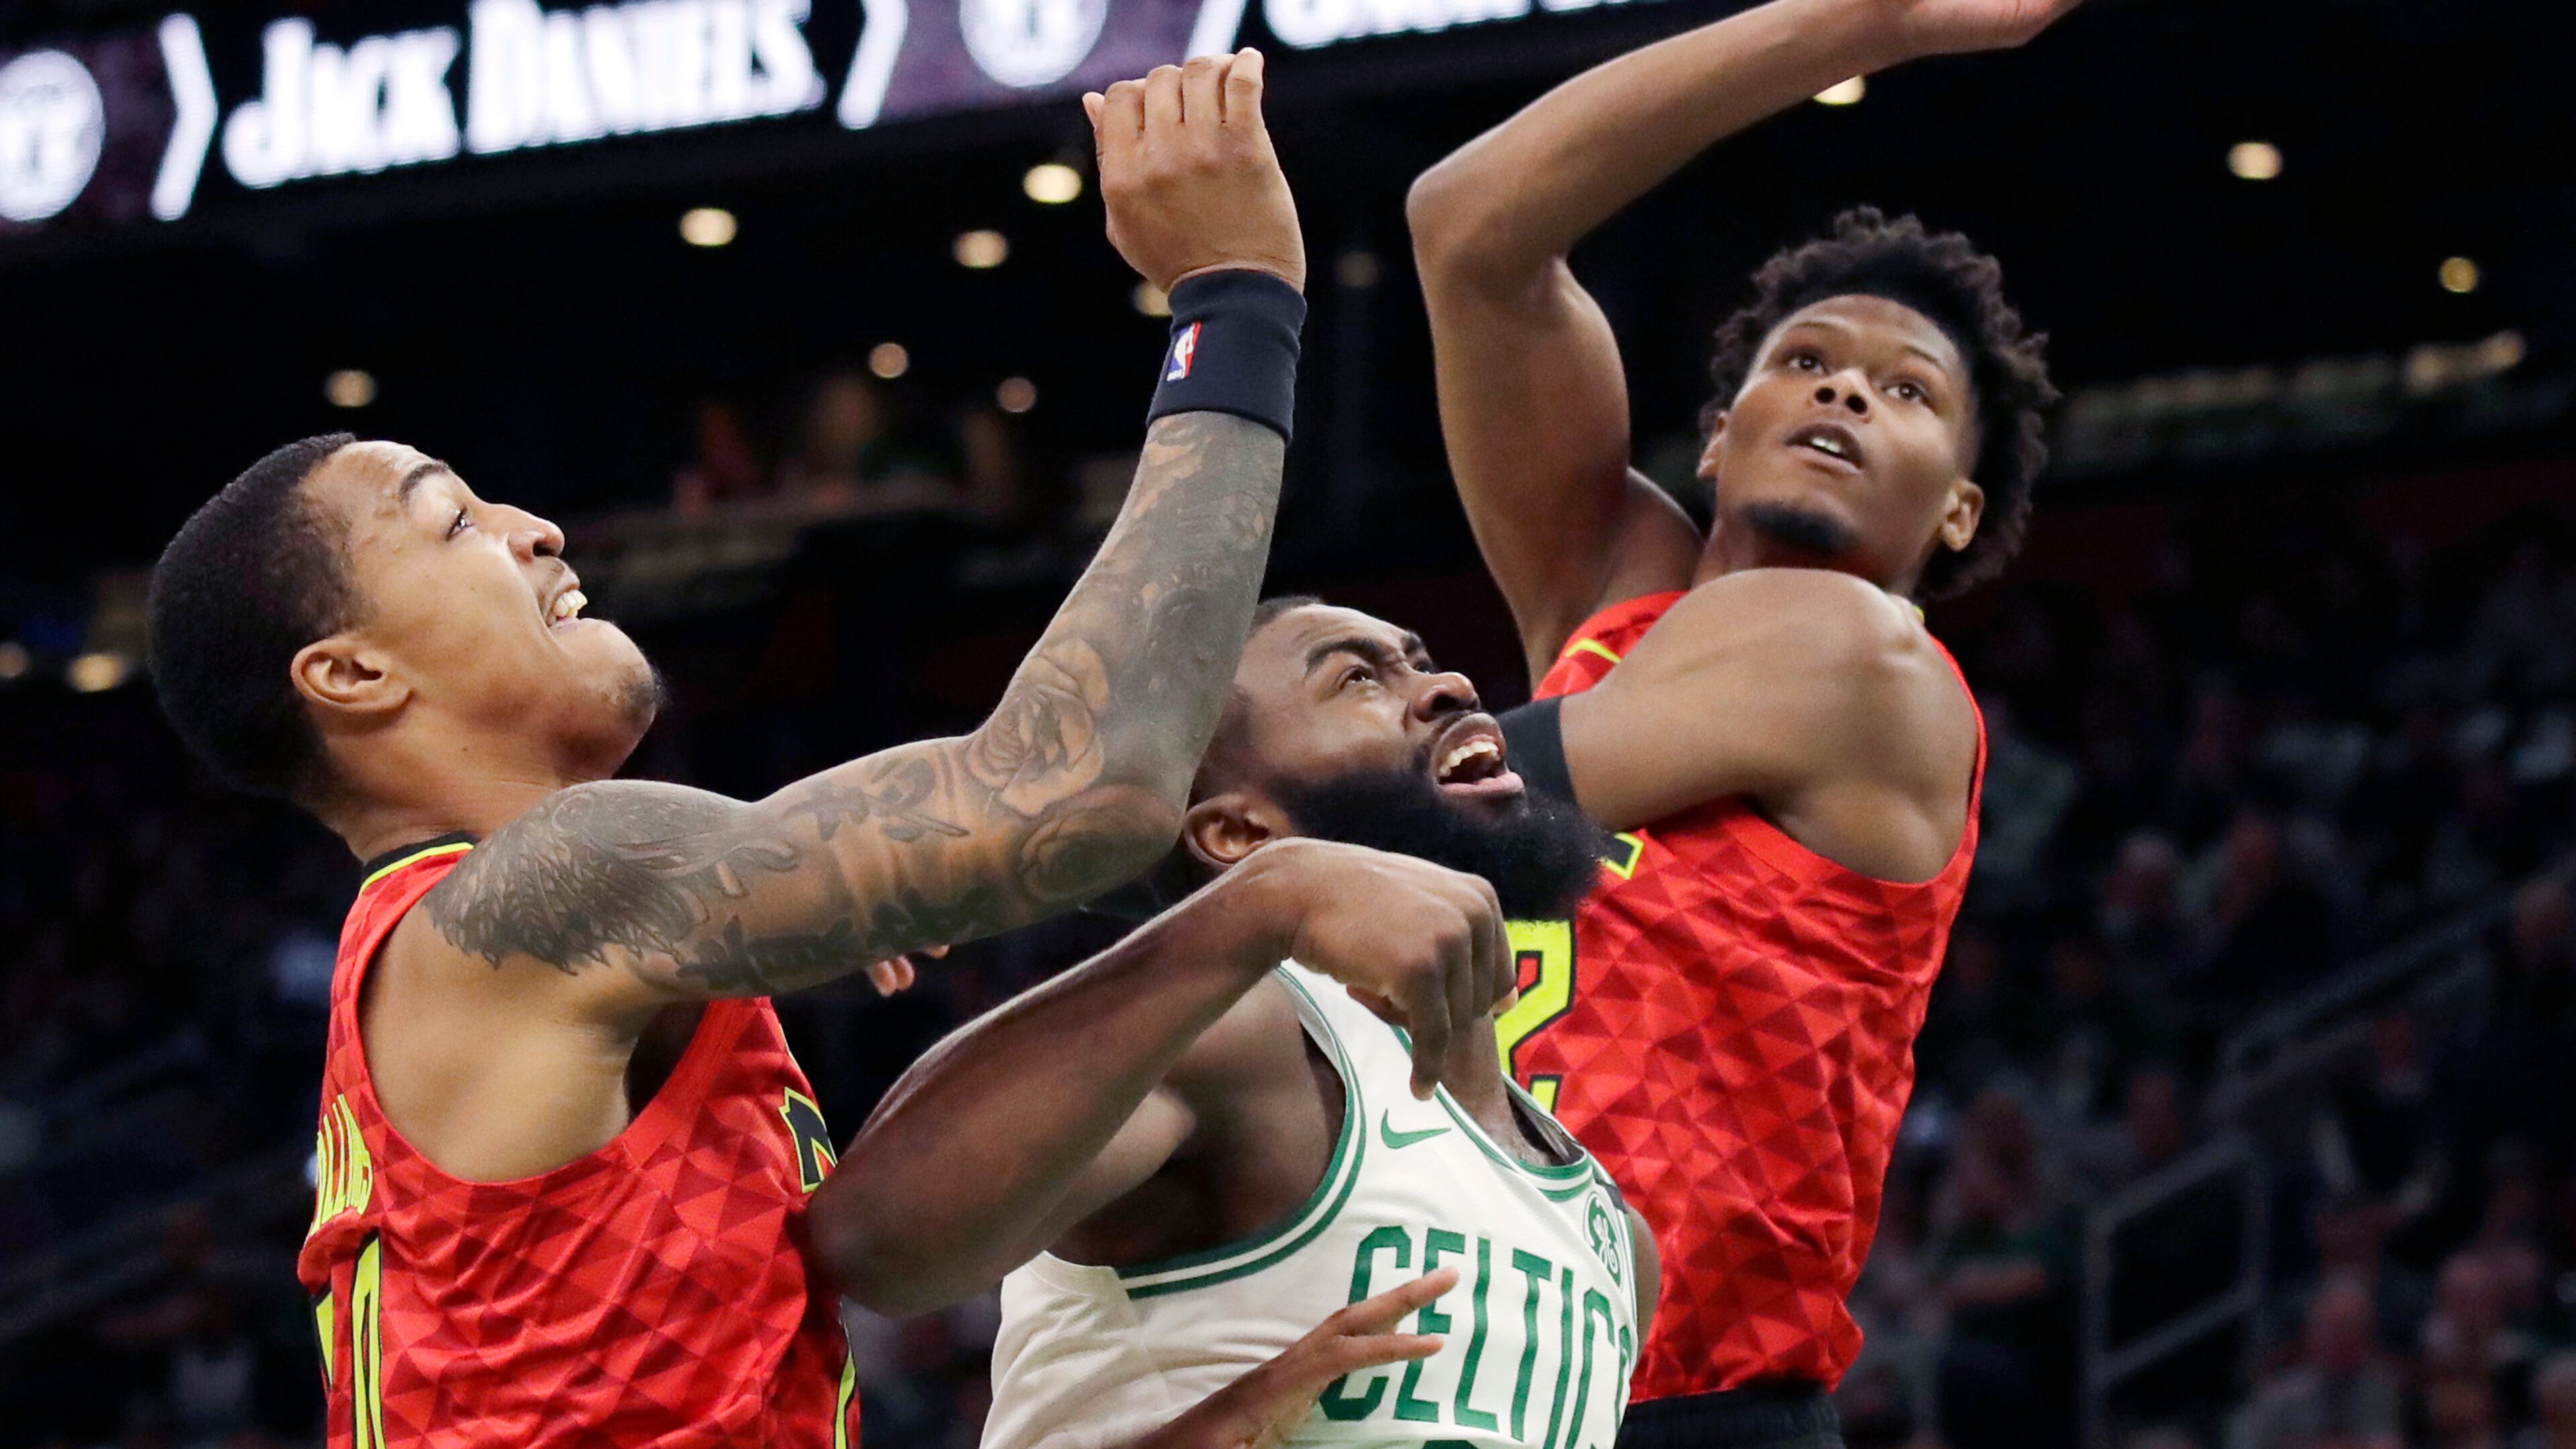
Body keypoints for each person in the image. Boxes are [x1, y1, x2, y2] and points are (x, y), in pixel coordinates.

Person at [144, 51, 1498, 1448]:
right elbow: (1077, 788)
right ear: (351, 675)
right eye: (452, 520)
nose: (533, 528)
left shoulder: (528, 958)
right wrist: (1235, 303)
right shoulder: (537, 890)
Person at [1406, 0, 2077, 1441]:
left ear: (1956, 511)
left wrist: (1074, 824)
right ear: (1718, 431)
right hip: (1457, 1379)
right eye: (1806, 358)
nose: (1843, 385)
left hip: (1690, 1406)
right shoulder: (1610, 596)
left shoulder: (1872, 666)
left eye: (1906, 393)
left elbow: (1419, 802)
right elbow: (1470, 229)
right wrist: (1860, 20)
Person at [819, 598, 1657, 1449]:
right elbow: (873, 1244)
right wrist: (1263, 903)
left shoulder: (1616, 1233)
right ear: (1238, 832)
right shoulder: (1249, 1038)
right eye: (1357, 677)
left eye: (1421, 657)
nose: (1451, 686)